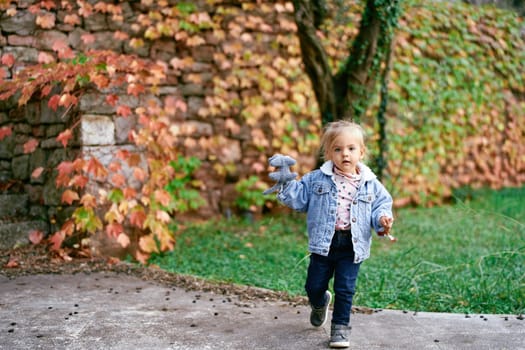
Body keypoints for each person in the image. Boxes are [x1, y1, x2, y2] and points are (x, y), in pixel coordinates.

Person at [265, 120, 394, 348]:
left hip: (352, 245)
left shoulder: (370, 184)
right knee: (314, 285)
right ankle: (319, 301)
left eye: (351, 148)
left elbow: (381, 206)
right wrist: (286, 183)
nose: (345, 154)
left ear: (361, 152)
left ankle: (340, 329)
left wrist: (383, 220)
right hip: (324, 243)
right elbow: (300, 198)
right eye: (338, 149)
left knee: (345, 288)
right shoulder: (316, 179)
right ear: (328, 153)